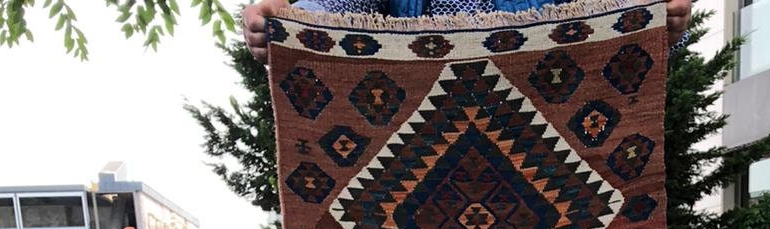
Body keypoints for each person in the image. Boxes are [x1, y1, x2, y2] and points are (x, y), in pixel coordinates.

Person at [243, 0, 691, 61]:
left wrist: (659, 23)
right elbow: (342, 7)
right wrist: (285, 22)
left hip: (542, 169)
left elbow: (615, 14)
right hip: (411, 187)